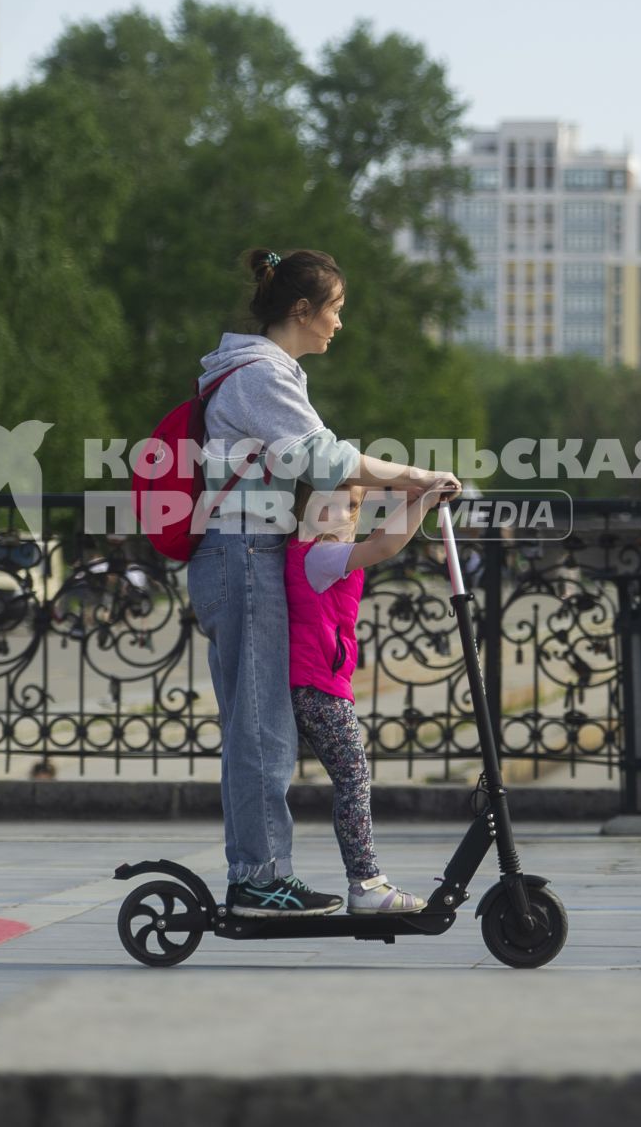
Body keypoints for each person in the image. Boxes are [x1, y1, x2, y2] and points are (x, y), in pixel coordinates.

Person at [191, 247, 457, 918]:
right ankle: (256, 877)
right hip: (243, 551)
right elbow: (328, 458)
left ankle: (261, 871)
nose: (340, 323)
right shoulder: (261, 376)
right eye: (335, 310)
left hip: (250, 547)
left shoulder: (268, 372)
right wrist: (415, 477)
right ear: (302, 311)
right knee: (259, 728)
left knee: (264, 724)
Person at [287, 479, 456, 913]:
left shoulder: (321, 554)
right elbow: (383, 549)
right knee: (353, 778)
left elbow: (380, 537)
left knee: (351, 777)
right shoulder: (320, 555)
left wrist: (417, 499)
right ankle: (365, 884)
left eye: (350, 508)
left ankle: (364, 880)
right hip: (318, 687)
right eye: (327, 507)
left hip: (319, 683)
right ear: (302, 511)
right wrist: (427, 500)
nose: (341, 516)